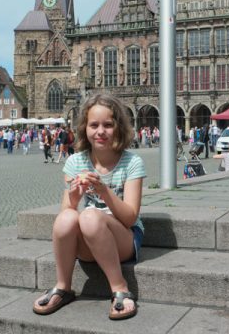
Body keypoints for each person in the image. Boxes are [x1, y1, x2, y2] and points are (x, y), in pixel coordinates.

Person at [33, 93, 145, 320]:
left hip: (125, 238)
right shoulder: (75, 161)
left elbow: (130, 218)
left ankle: (120, 286)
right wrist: (74, 197)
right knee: (67, 218)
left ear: (119, 127)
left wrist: (104, 191)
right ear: (85, 128)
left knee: (90, 216)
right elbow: (67, 213)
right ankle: (63, 286)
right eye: (94, 125)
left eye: (108, 125)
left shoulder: (132, 162)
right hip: (89, 238)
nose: (100, 131)